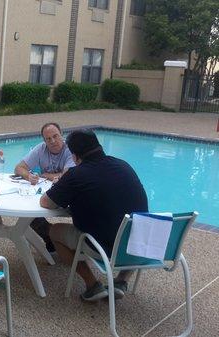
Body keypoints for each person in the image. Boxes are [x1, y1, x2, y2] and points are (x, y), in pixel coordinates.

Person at [39, 129, 148, 302]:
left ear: (74, 156)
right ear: (98, 145)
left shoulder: (76, 175)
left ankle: (92, 285)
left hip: (105, 246)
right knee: (130, 226)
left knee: (55, 232)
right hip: (140, 244)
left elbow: (46, 202)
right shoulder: (124, 165)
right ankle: (121, 281)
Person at [14, 122, 76, 252]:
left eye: (55, 136)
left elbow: (68, 175)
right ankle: (50, 238)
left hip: (68, 194)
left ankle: (72, 242)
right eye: (48, 139)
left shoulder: (70, 149)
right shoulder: (40, 149)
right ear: (44, 141)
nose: (53, 141)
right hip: (46, 192)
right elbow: (19, 168)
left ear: (61, 135)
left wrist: (47, 175)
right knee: (28, 212)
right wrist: (28, 176)